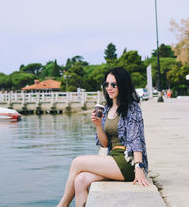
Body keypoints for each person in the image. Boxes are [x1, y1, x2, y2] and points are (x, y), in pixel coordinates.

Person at [57, 67, 149, 207]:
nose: (109, 88)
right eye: (106, 84)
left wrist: (139, 167)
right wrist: (98, 125)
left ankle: (62, 205)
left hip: (128, 160)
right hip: (112, 157)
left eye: (113, 84)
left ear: (122, 85)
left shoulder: (132, 108)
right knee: (80, 180)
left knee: (77, 162)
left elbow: (135, 139)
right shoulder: (106, 109)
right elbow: (105, 144)